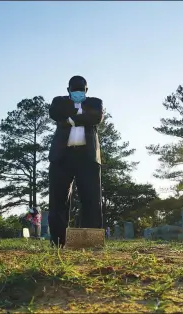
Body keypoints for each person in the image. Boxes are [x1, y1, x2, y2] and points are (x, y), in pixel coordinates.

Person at [48, 75, 104, 247]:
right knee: (58, 199)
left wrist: (70, 120)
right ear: (68, 90)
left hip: (87, 157)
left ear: (87, 90)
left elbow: (96, 117)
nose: (78, 92)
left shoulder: (95, 102)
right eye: (74, 89)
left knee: (91, 198)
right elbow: (55, 113)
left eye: (81, 89)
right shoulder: (59, 101)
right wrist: (81, 115)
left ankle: (90, 241)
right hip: (62, 156)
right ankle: (59, 241)